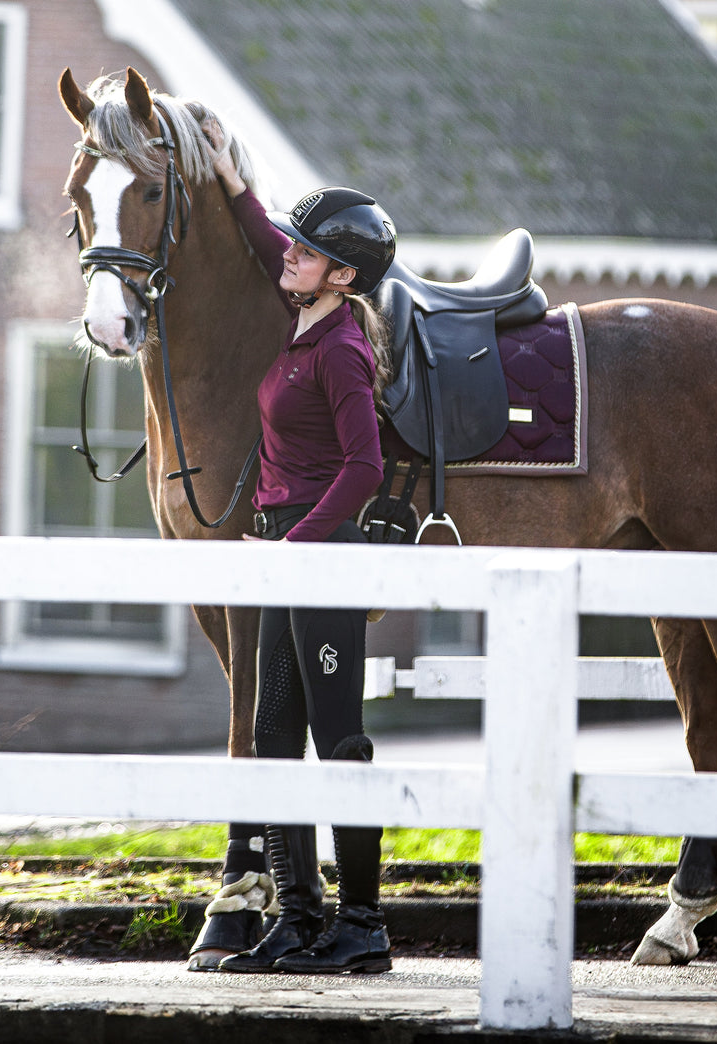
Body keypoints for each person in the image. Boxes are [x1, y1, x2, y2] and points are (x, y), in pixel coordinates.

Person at [199, 119, 395, 975]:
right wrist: (232, 179)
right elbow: (266, 240)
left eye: (307, 251)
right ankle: (294, 914)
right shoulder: (304, 316)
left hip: (321, 547)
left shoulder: (342, 348)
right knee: (273, 731)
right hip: (283, 545)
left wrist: (299, 544)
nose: (289, 255)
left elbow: (365, 466)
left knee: (337, 737)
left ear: (343, 275)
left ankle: (362, 929)